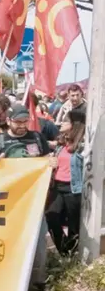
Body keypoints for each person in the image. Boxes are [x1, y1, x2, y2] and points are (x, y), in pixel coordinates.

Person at [0, 105, 51, 291]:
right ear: (8, 121)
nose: (22, 126)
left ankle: (38, 281)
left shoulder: (37, 138)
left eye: (25, 121)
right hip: (5, 201)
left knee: (39, 241)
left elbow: (47, 160)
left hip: (33, 199)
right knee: (4, 239)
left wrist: (50, 162)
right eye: (18, 122)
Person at [46, 110, 86, 256]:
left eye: (65, 121)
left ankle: (71, 254)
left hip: (73, 189)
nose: (61, 123)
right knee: (51, 216)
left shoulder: (82, 146)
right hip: (57, 186)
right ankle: (64, 250)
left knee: (73, 224)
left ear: (74, 124)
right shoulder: (61, 144)